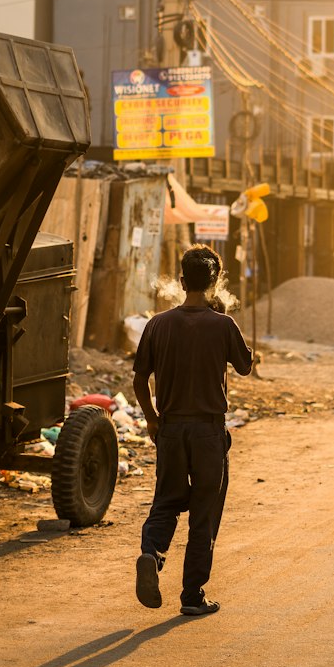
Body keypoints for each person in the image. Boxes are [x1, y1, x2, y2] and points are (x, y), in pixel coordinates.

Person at [133, 244, 253, 616]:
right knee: (204, 512)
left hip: (169, 430)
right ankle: (191, 595)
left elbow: (139, 380)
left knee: (166, 501)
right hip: (207, 434)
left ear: (183, 281)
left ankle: (152, 553)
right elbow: (246, 366)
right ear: (215, 282)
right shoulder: (223, 325)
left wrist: (152, 419)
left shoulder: (157, 324)